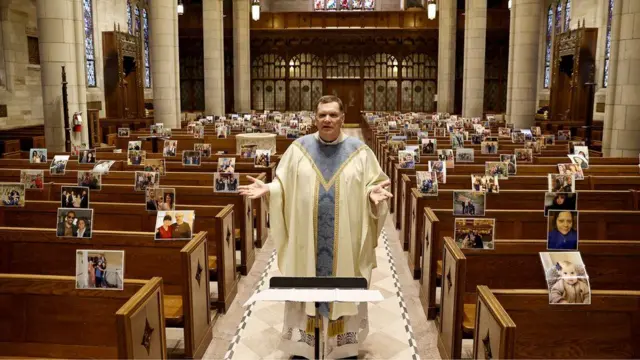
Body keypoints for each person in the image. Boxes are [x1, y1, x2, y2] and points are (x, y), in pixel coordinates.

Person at [238, 95, 392, 360]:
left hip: (345, 242)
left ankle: (342, 350)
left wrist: (371, 197)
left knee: (343, 288)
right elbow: (283, 184)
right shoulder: (299, 149)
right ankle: (304, 348)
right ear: (315, 118)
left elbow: (374, 183)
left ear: (343, 117)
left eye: (333, 114)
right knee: (304, 284)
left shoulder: (361, 152)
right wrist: (270, 190)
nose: (327, 120)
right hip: (305, 242)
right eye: (322, 115)